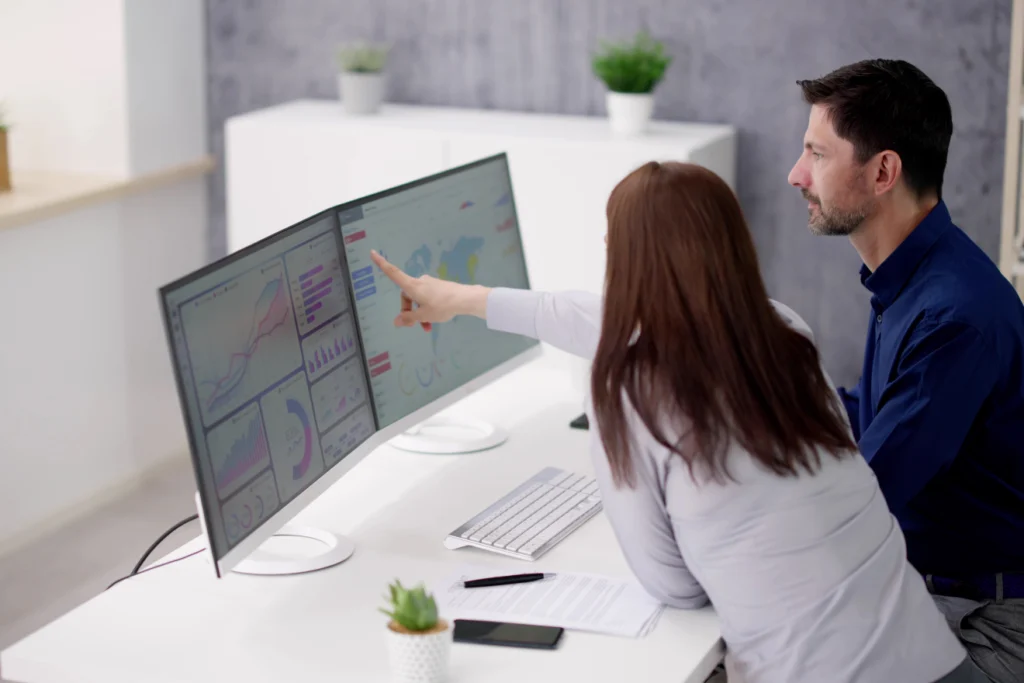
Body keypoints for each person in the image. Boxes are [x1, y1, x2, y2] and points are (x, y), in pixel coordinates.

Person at [369, 161, 987, 682]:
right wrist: (468, 300)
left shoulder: (631, 392)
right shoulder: (784, 331)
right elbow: (607, 316)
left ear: (626, 261)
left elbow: (676, 588)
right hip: (933, 657)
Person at [788, 58, 1024, 682]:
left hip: (991, 623)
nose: (796, 174)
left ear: (883, 171)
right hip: (939, 590)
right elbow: (869, 416)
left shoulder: (953, 316)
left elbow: (862, 498)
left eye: (817, 153)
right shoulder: (915, 279)